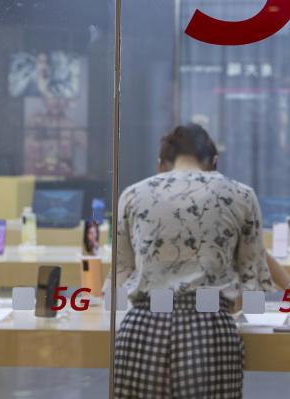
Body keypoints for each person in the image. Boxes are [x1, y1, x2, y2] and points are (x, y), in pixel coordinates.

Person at [111, 124, 277, 399]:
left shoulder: (132, 194)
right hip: (209, 330)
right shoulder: (241, 195)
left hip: (143, 328)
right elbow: (252, 279)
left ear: (161, 164)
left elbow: (121, 275)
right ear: (213, 161)